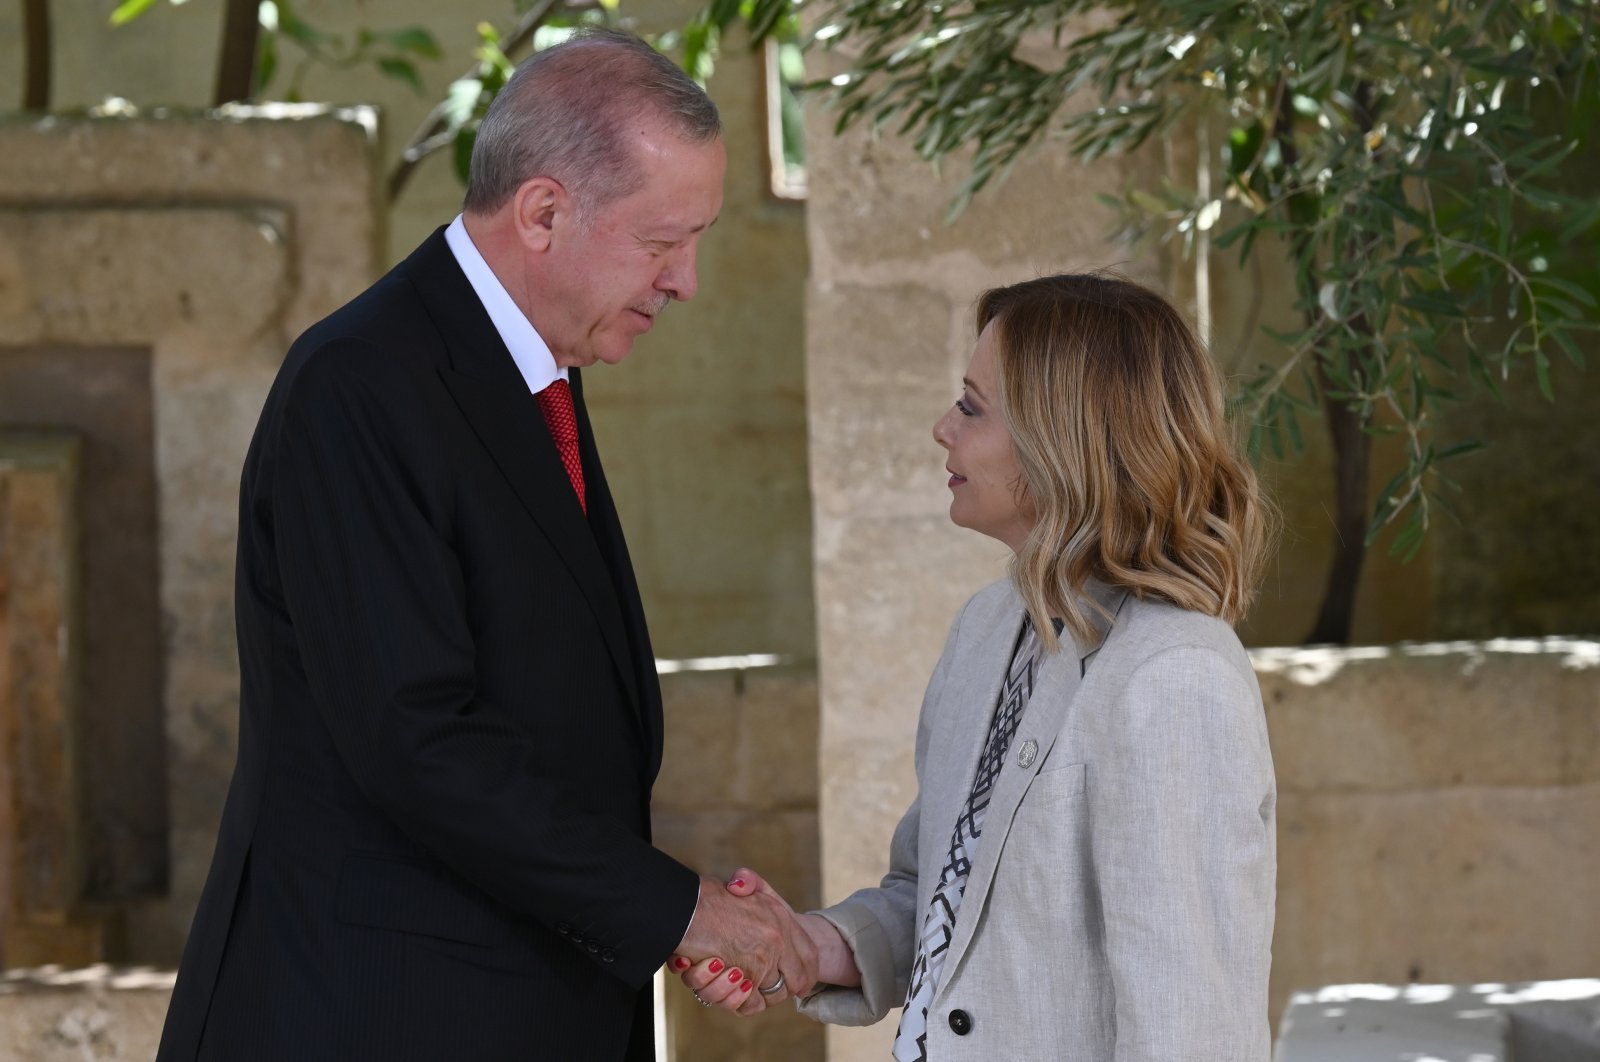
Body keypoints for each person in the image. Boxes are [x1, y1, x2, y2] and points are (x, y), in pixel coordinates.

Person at [157, 29, 813, 1062]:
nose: (686, 281)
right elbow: (416, 738)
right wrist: (678, 912)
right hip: (376, 1016)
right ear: (544, 212)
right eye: (661, 242)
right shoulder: (360, 386)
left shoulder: (531, 367)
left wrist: (664, 914)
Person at [676, 273, 1277, 1059]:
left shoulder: (1174, 680)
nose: (941, 429)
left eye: (970, 406)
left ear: (1061, 441)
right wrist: (810, 945)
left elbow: (1189, 1025)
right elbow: (936, 892)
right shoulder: (990, 629)